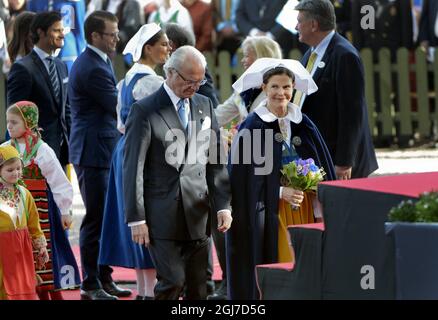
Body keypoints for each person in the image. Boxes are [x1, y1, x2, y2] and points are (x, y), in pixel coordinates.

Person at [123, 45, 233, 300]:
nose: (195, 86)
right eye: (188, 80)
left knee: (200, 286)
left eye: (200, 80)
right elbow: (133, 168)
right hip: (161, 212)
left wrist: (223, 205)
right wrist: (136, 218)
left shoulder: (204, 105)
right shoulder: (145, 110)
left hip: (198, 211)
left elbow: (216, 161)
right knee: (172, 281)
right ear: (169, 72)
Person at [226, 61, 336, 300]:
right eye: (274, 86)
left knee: (305, 264)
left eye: (286, 86)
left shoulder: (304, 123)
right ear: (264, 87)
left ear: (293, 87)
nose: (281, 93)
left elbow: (321, 162)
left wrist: (314, 183)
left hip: (305, 207)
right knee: (283, 263)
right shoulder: (252, 126)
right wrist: (279, 191)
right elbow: (244, 178)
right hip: (271, 211)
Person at [99, 23, 170, 300]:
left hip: (125, 150)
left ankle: (144, 292)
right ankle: (149, 293)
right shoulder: (151, 81)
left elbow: (120, 123)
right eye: (163, 44)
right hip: (143, 153)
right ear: (148, 48)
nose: (168, 49)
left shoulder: (127, 79)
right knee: (145, 221)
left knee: (135, 222)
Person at [68, 10, 129, 300]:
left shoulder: (97, 61)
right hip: (93, 151)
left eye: (116, 34)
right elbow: (117, 106)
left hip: (100, 149)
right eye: (111, 35)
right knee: (95, 218)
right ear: (95, 36)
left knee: (104, 217)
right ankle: (90, 283)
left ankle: (103, 278)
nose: (116, 39)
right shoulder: (91, 66)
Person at [4, 101, 80, 300]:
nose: (9, 126)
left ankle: (50, 293)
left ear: (28, 123)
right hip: (14, 213)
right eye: (7, 122)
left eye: (14, 122)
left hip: (41, 210)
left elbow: (59, 182)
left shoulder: (42, 150)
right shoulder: (5, 149)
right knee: (20, 252)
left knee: (42, 252)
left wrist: (65, 210)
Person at [294, 0, 378, 179]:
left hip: (339, 162)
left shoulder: (344, 55)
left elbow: (352, 114)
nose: (296, 27)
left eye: (299, 21)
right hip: (320, 153)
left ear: (314, 25)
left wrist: (344, 161)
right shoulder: (311, 53)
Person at [7, 11, 70, 166]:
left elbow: (66, 110)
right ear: (40, 33)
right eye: (57, 30)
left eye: (62, 30)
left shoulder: (61, 66)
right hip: (34, 157)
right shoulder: (23, 68)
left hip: (62, 152)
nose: (62, 35)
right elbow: (16, 115)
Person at [0, 144, 49, 300]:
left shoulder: (24, 193)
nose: (16, 173)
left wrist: (41, 247)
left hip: (22, 249)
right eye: (10, 170)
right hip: (2, 248)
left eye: (18, 169)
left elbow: (34, 224)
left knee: (22, 284)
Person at [215, 35, 283, 128]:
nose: (242, 61)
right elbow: (220, 115)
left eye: (246, 56)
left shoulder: (282, 89)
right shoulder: (243, 87)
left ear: (260, 58)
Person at [27, 0, 87, 72]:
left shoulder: (74, 1)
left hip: (67, 50)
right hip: (42, 48)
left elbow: (80, 31)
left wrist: (81, 55)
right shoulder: (34, 2)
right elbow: (32, 27)